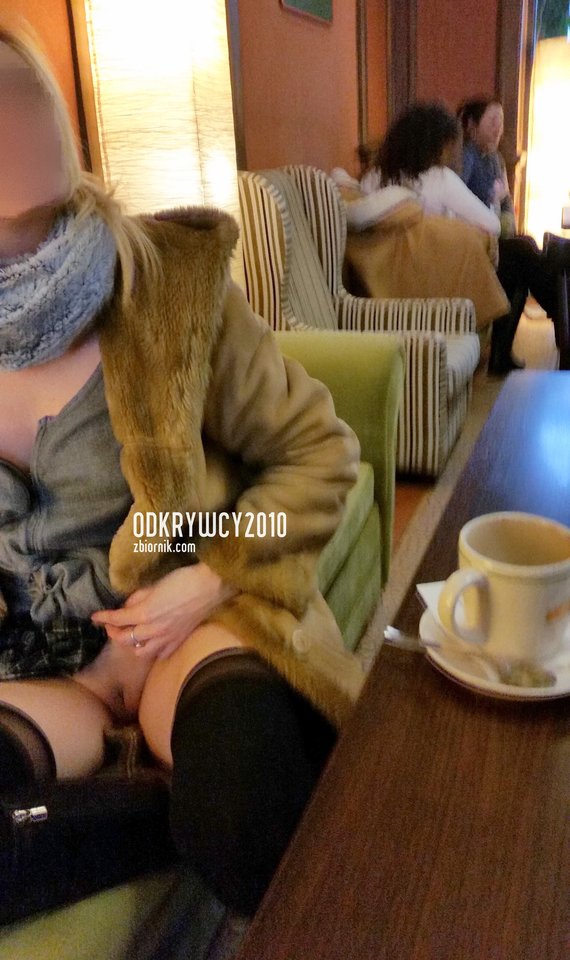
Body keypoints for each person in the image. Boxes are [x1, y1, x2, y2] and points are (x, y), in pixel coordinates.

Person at [0, 22, 364, 917]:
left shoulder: (171, 283)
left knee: (247, 810)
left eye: (21, 94)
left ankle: (197, 809)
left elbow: (320, 454)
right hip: (44, 669)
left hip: (189, 626)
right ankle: (156, 814)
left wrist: (211, 575)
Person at [339, 103, 509, 334]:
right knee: (515, 257)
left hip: (382, 285)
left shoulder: (373, 177)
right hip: (433, 284)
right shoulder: (441, 178)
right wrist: (495, 201)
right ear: (441, 146)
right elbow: (493, 225)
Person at [458, 96, 561, 373]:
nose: (498, 128)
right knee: (524, 251)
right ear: (472, 126)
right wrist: (493, 210)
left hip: (493, 240)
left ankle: (502, 355)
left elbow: (505, 207)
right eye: (492, 121)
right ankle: (560, 306)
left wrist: (501, 216)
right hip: (474, 246)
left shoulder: (494, 159)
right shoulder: (467, 156)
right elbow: (462, 205)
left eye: (501, 122)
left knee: (522, 254)